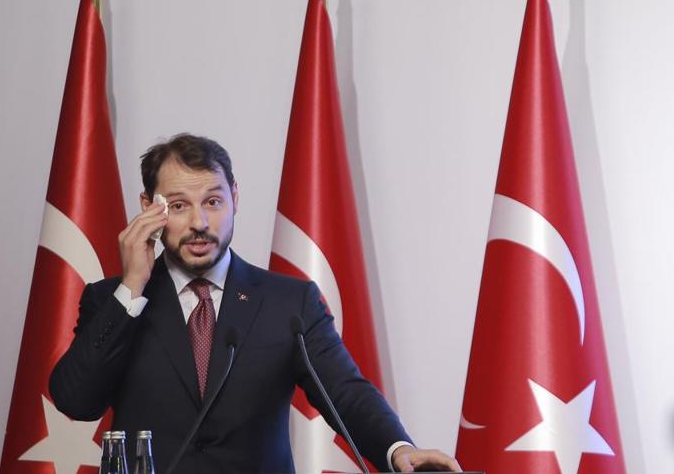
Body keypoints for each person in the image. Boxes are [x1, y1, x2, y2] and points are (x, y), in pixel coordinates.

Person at [50, 133, 461, 473]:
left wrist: (398, 449)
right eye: (178, 206)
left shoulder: (290, 303)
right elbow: (76, 401)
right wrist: (133, 286)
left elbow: (345, 392)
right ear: (148, 209)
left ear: (235, 198)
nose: (199, 223)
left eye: (213, 202)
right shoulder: (112, 300)